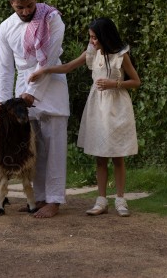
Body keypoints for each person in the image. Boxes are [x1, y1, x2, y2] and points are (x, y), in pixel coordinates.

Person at [28, 17, 140, 217]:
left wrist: (114, 84)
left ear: (105, 37)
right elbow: (68, 67)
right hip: (97, 106)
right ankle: (101, 200)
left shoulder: (121, 55)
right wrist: (44, 70)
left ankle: (121, 199)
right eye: (90, 37)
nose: (92, 41)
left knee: (117, 156)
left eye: (95, 38)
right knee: (99, 154)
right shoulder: (92, 53)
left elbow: (136, 81)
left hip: (116, 106)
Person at [0, 0, 70, 218]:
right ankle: (38, 197)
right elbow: (5, 68)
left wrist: (33, 93)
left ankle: (55, 200)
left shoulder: (52, 19)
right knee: (32, 147)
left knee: (55, 146)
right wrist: (6, 103)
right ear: (11, 4)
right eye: (20, 7)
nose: (26, 12)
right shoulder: (5, 28)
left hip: (51, 83)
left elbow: (47, 61)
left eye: (29, 5)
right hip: (22, 87)